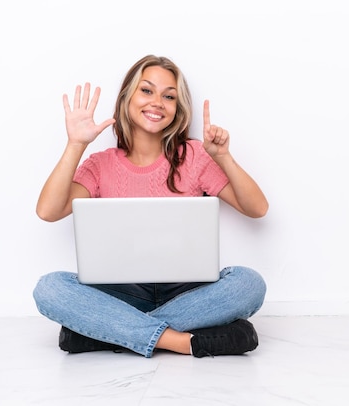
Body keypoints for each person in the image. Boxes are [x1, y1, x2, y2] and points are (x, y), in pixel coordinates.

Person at [33, 55, 269, 358]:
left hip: (188, 291)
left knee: (248, 283)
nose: (157, 101)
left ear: (177, 108)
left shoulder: (194, 155)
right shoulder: (100, 164)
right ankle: (181, 341)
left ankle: (107, 334)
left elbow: (257, 208)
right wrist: (76, 144)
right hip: (124, 293)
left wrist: (223, 156)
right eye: (147, 90)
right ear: (126, 98)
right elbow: (48, 211)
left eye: (169, 96)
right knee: (50, 288)